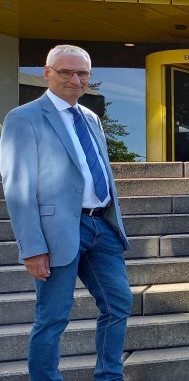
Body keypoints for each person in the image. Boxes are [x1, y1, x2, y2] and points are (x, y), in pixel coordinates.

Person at [0, 45, 132, 379]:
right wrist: (32, 247)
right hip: (56, 233)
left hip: (101, 227)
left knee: (118, 305)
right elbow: (18, 186)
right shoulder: (23, 118)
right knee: (53, 317)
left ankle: (109, 376)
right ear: (47, 73)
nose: (75, 79)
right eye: (66, 72)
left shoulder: (91, 118)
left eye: (82, 73)